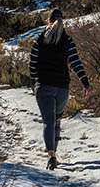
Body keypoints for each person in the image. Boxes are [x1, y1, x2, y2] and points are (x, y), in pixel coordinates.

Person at [28, 9, 90, 169]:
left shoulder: (40, 40)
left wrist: (33, 80)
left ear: (48, 21)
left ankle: (51, 156)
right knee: (56, 121)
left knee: (48, 122)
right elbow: (76, 63)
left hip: (44, 87)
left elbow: (32, 63)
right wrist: (85, 83)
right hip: (62, 88)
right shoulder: (67, 40)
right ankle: (54, 154)